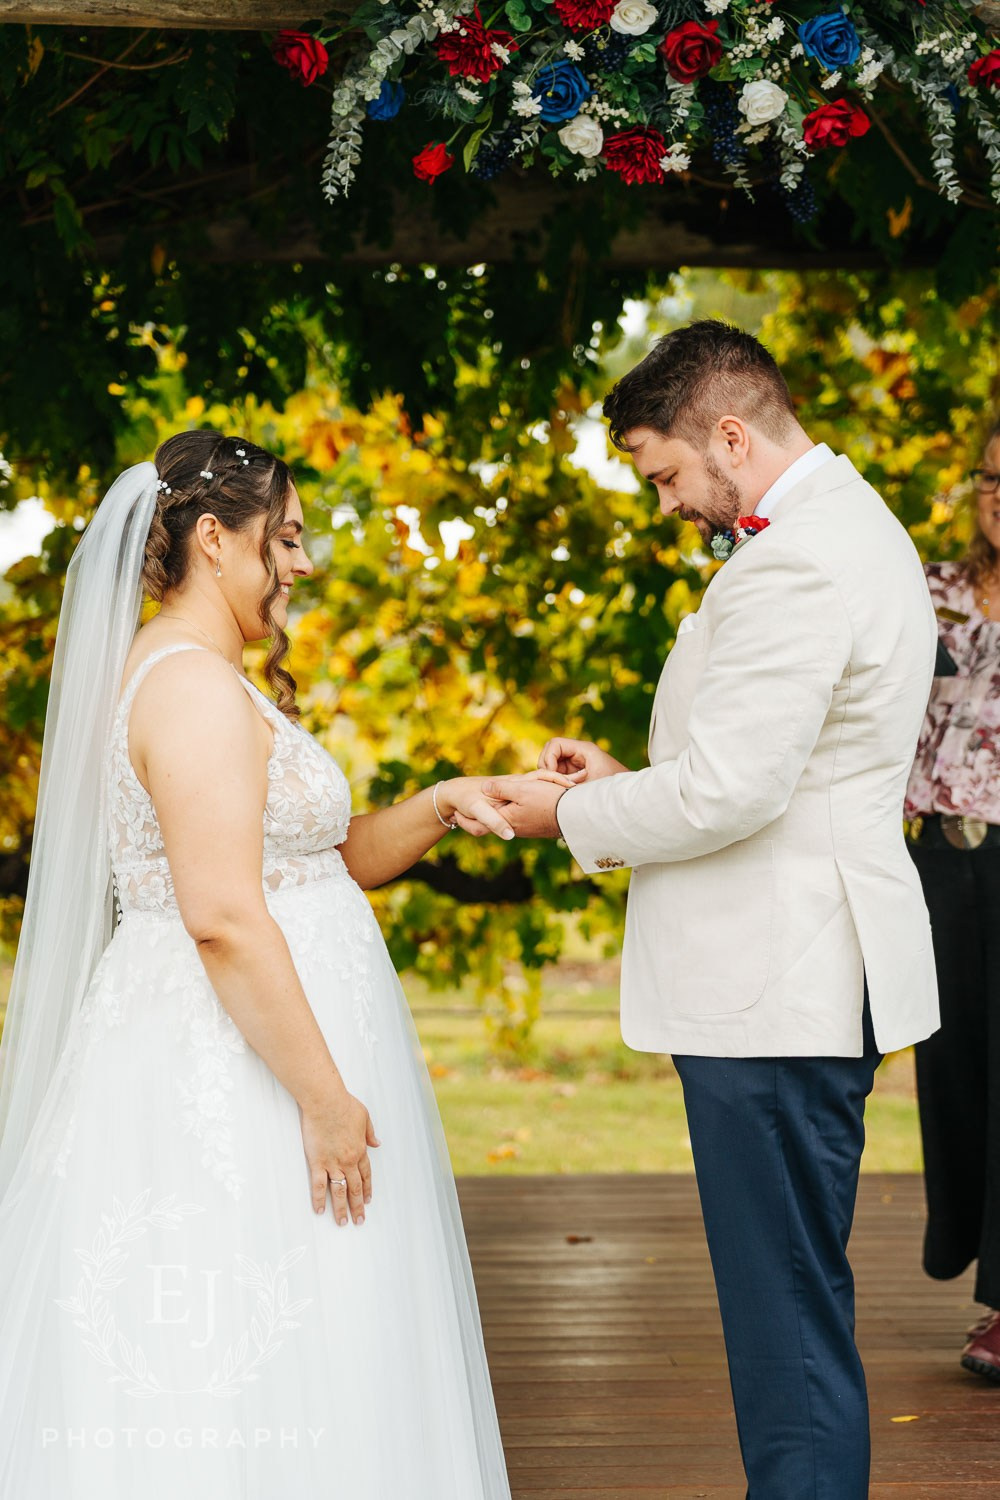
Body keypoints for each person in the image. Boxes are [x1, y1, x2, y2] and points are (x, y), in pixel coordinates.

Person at [0, 431, 561, 1496]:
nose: (302, 562)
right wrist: (325, 1098)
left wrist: (442, 803)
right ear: (215, 538)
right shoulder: (189, 689)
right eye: (287, 537)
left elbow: (321, 860)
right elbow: (220, 914)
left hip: (268, 1045)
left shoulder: (209, 677)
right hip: (236, 1068)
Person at [484, 321, 940, 1499]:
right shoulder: (844, 527)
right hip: (793, 972)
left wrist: (565, 817)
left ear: (730, 435)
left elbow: (734, 792)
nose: (668, 503)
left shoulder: (796, 561)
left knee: (784, 1315)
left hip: (775, 984)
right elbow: (768, 763)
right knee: (787, 1300)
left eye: (666, 474)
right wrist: (623, 784)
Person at [904, 418, 1000, 1381]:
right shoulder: (927, 590)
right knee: (954, 1072)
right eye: (990, 476)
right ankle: (967, 1244)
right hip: (938, 857)